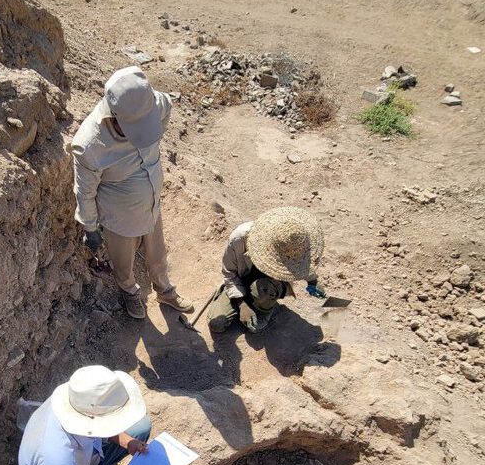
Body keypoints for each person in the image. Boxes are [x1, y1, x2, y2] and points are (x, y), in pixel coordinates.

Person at [71, 66, 194, 320]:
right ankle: (130, 292)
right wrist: (90, 229)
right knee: (123, 263)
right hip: (120, 218)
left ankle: (164, 291)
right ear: (114, 117)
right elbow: (85, 193)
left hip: (152, 204)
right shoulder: (90, 145)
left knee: (158, 254)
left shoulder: (152, 104)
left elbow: (166, 106)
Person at [18, 365, 152, 465]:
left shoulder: (75, 401)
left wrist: (128, 442)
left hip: (81, 461)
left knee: (141, 427)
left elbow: (99, 427)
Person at [207, 206, 325, 334]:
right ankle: (239, 296)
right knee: (216, 324)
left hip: (269, 284)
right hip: (241, 278)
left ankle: (264, 305)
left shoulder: (295, 243)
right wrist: (242, 305)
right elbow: (229, 274)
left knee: (258, 315)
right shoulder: (239, 239)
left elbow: (300, 263)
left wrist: (313, 282)